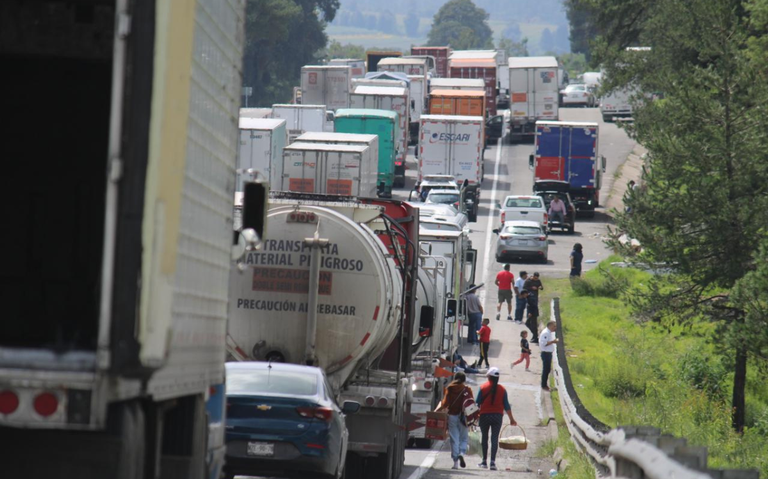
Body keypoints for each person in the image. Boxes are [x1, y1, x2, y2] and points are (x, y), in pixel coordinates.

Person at [476, 367, 516, 471]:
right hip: (497, 417)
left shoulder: (483, 387)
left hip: (484, 416)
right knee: (494, 438)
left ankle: (484, 461)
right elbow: (507, 406)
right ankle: (493, 462)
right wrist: (512, 419)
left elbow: (477, 403)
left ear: (489, 377)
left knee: (484, 437)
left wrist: (474, 417)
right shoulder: (502, 390)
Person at [436, 372, 472, 469]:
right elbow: (471, 404)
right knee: (464, 438)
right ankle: (461, 453)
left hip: (452, 416)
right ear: (464, 380)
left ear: (455, 378)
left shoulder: (450, 388)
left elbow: (445, 403)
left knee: (454, 439)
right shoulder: (467, 389)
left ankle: (455, 463)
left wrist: (437, 410)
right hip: (464, 417)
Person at [539, 320, 559, 391]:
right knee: (546, 370)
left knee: (547, 370)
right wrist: (553, 341)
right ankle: (544, 385)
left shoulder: (548, 333)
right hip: (546, 354)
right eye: (554, 326)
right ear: (550, 326)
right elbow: (544, 343)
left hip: (548, 354)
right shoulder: (546, 333)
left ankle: (544, 384)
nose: (555, 328)